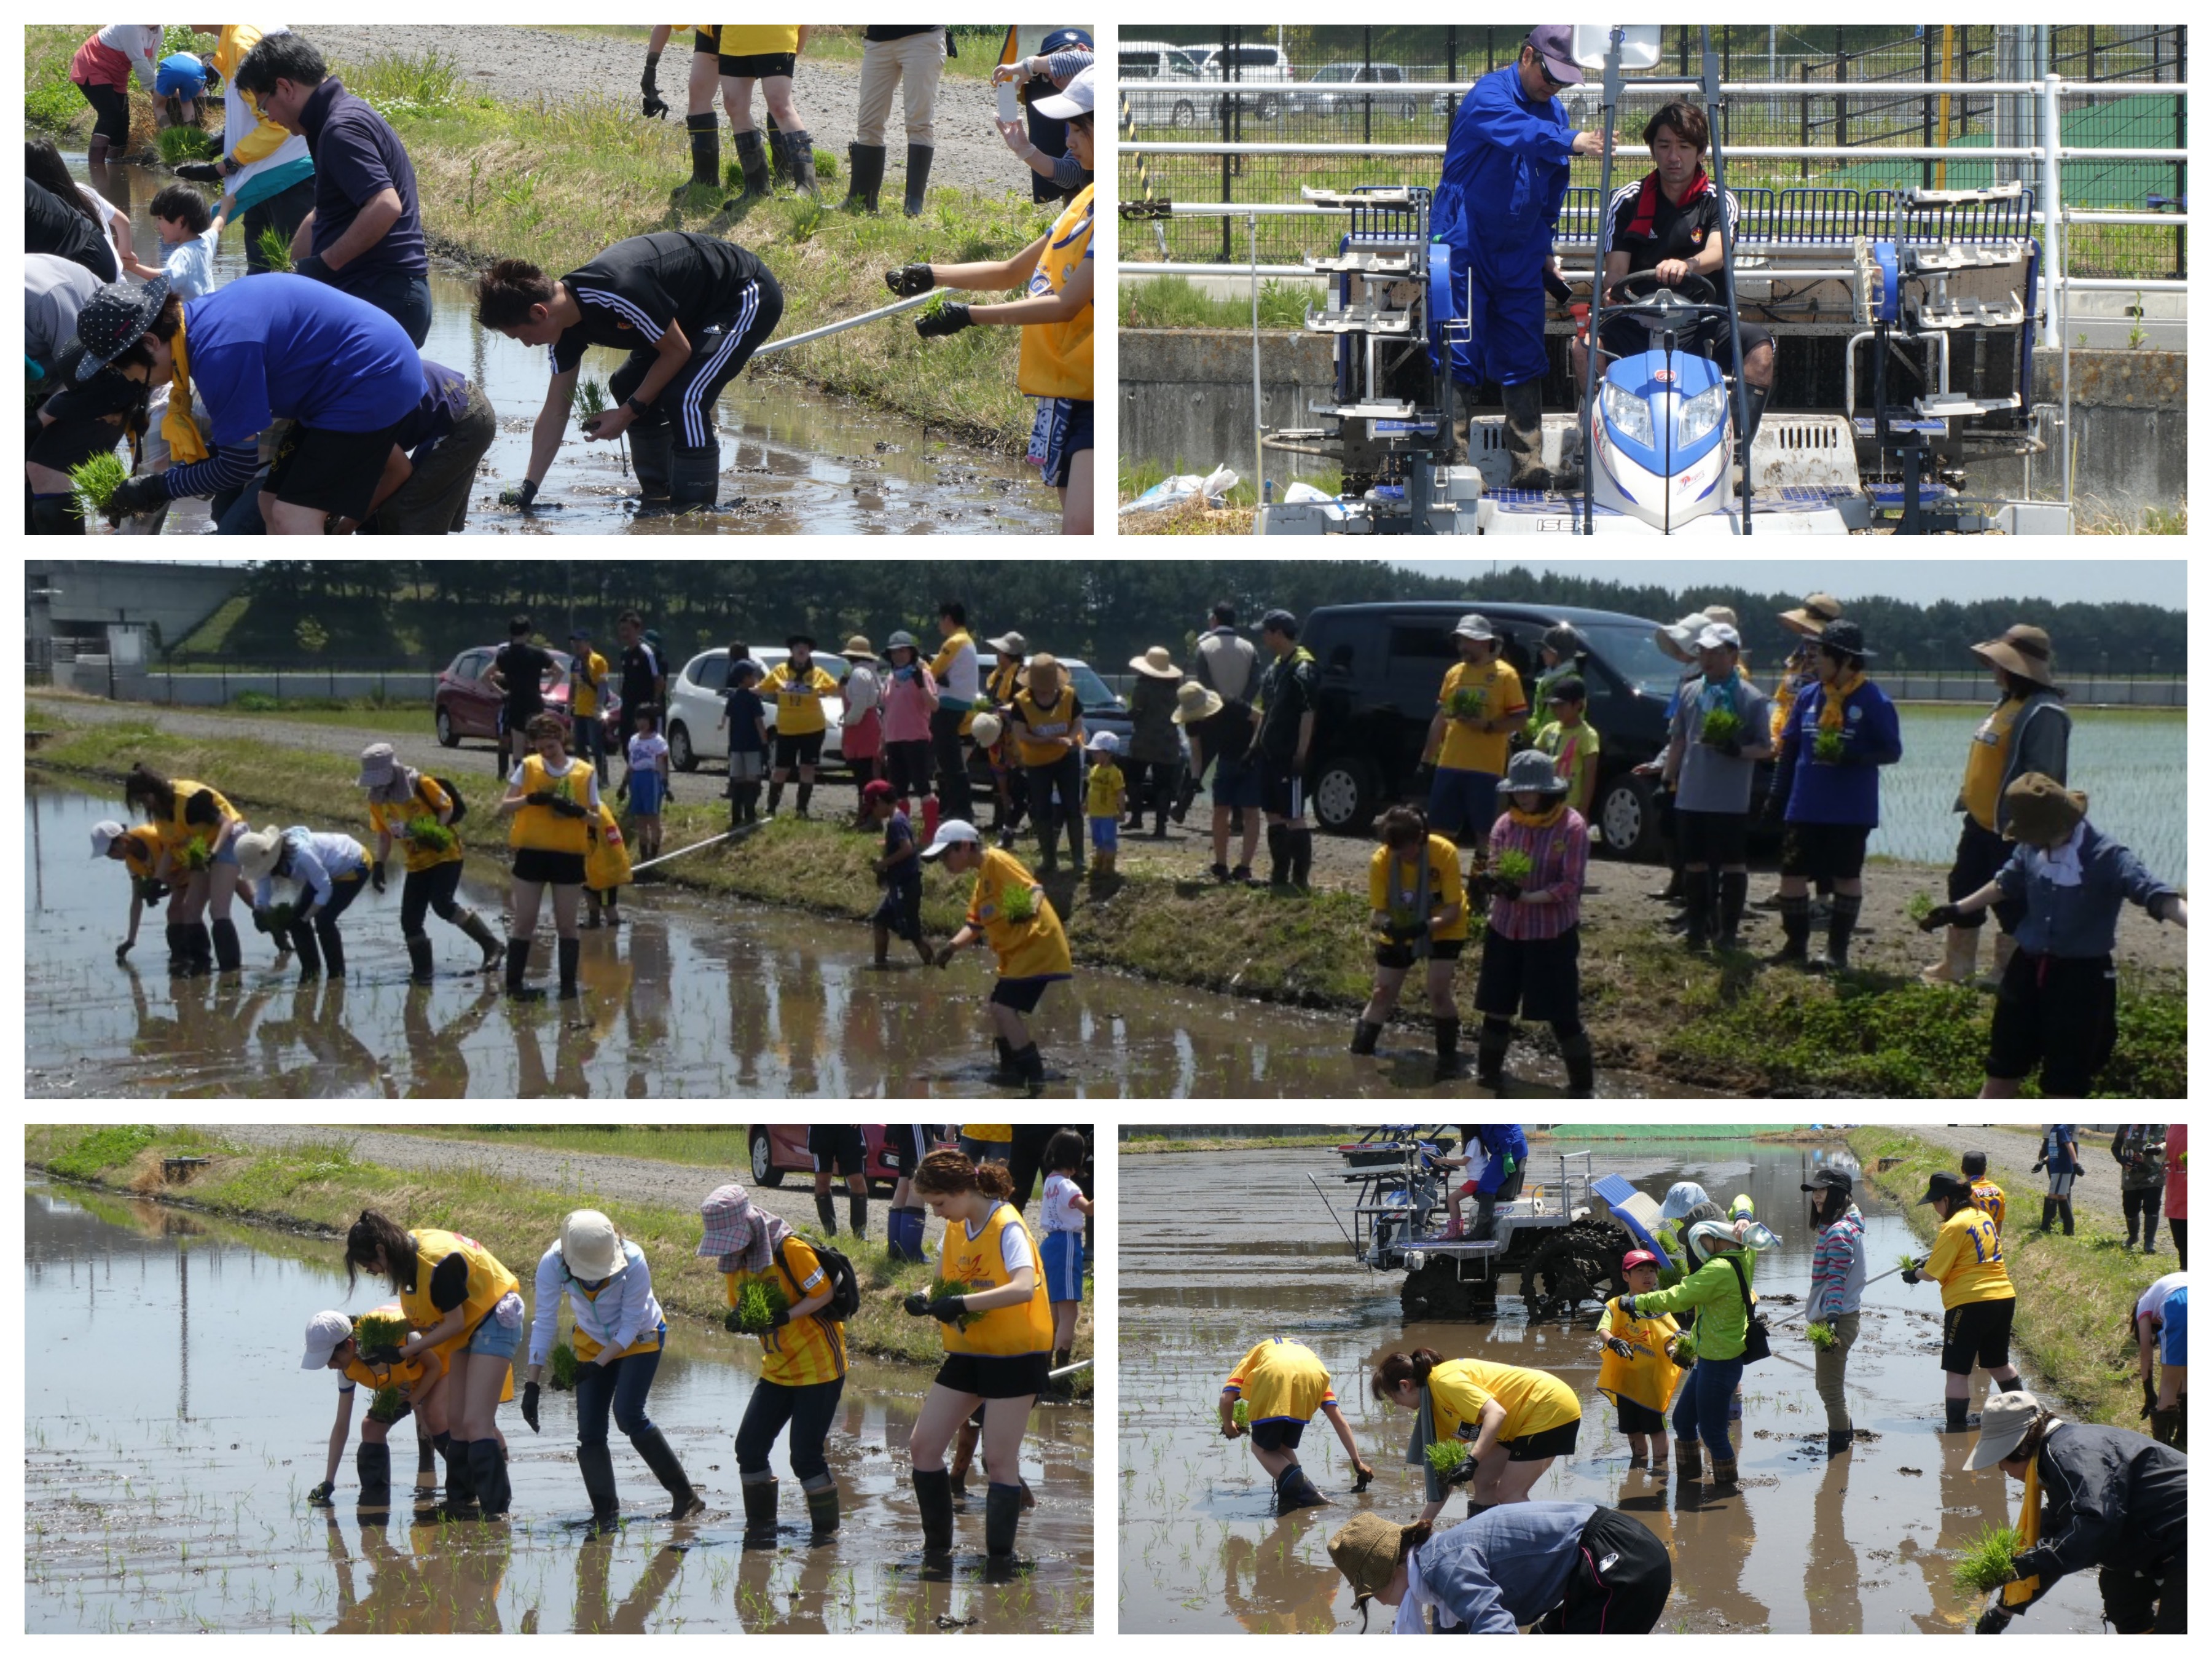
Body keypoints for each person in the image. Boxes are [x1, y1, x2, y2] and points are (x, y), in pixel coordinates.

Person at [892, 71, 1094, 535]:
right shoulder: (1083, 202)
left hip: (1094, 392)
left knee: (1080, 532)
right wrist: (928, 275)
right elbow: (1011, 271)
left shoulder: (1112, 215)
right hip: (1065, 390)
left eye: (1078, 130)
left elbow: (1065, 304)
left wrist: (968, 316)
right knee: (1074, 528)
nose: (1069, 140)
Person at [71, 274, 423, 537]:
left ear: (149, 342)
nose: (133, 381)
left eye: (124, 368)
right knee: (270, 505)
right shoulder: (199, 326)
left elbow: (236, 467)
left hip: (372, 378)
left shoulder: (218, 351)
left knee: (292, 514)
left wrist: (155, 488)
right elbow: (235, 449)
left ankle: (314, 617)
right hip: (339, 382)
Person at [1918, 774, 2186, 1100]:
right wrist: (1957, 909)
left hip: (2081, 980)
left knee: (2065, 1084)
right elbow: (2006, 883)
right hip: (2026, 970)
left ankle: (2055, 1147)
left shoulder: (2109, 857)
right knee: (2002, 1070)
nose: (2032, 843)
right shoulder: (2032, 849)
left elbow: (2159, 897)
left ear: (2062, 825)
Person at [477, 235, 782, 512]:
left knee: (687, 397)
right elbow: (557, 409)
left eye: (522, 337)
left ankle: (694, 512)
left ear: (539, 312)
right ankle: (661, 494)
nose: (529, 345)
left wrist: (625, 415)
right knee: (627, 384)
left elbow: (678, 351)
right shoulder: (563, 331)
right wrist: (528, 489)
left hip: (741, 295)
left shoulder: (618, 290)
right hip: (685, 315)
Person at [1432, 26, 1609, 490]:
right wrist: (1570, 140)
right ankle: (1452, 461)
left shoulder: (1552, 109)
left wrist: (1544, 246)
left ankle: (1527, 461)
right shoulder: (1488, 95)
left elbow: (1552, 185)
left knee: (1523, 349)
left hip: (1520, 247)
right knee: (1460, 346)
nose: (1555, 89)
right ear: (1528, 57)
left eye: (1565, 83)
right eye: (1551, 77)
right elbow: (1519, 133)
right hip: (1467, 239)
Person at [1572, 100, 1777, 487]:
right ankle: (1591, 444)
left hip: (1702, 320)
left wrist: (1690, 266)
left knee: (1761, 352)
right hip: (1635, 316)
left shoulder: (1719, 200)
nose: (1674, 157)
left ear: (1701, 152)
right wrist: (1616, 291)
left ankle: (1732, 453)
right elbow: (1615, 271)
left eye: (1684, 147)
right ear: (1653, 150)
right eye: (1664, 145)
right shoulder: (1628, 200)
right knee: (1584, 347)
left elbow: (1719, 252)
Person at [898, 1148, 1054, 1566]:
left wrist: (962, 1304)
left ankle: (1000, 1562)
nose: (936, 1213)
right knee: (923, 1447)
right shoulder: (956, 1227)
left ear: (962, 1190)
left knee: (1000, 1462)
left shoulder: (1008, 1226)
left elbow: (1025, 1287)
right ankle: (937, 1552)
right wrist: (923, 1299)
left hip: (1015, 1358)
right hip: (970, 1353)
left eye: (939, 1204)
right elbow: (942, 1285)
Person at [233, 32, 433, 346]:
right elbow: (324, 212)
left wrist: (325, 265)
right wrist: (294, 272)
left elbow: (385, 205)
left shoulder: (341, 128)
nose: (269, 117)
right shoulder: (334, 119)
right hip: (380, 293)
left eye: (264, 106)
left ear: (285, 88)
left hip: (382, 294)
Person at [524, 1209, 702, 1533]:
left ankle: (686, 1498)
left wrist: (596, 1366)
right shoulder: (552, 1264)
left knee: (628, 1414)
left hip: (641, 1336)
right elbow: (545, 1322)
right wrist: (531, 1385)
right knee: (589, 1430)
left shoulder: (633, 1260)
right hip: (592, 1339)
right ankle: (605, 1513)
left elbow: (632, 1323)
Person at [340, 1208, 524, 1516]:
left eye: (369, 1265)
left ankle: (496, 1512)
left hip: (495, 1320)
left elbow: (453, 1323)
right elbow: (425, 1316)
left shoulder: (438, 1263)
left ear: (381, 1250)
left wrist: (401, 1353)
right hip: (470, 1327)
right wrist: (385, 1338)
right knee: (456, 1422)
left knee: (476, 1422)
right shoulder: (405, 1262)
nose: (373, 1272)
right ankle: (460, 1501)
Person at [1961, 1389, 2185, 1635]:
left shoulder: (2070, 1455)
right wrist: (2004, 1611)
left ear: (2022, 1448)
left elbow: (2094, 1526)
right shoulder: (2054, 1459)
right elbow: (2056, 1535)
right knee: (2122, 1599)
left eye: (2000, 1459)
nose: (2002, 1469)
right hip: (2157, 1537)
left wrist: (2024, 1564)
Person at [700, 1182, 850, 1547]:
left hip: (819, 1367)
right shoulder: (735, 1259)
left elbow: (824, 1292)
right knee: (749, 1448)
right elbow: (741, 1303)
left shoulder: (790, 1249)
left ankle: (826, 1541)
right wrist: (740, 1320)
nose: (730, 1250)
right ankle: (762, 1531)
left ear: (747, 1226)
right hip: (777, 1368)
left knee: (805, 1457)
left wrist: (785, 1317)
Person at [1924, 624, 2073, 986]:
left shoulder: (2045, 713)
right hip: (1979, 821)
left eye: (1999, 664)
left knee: (2012, 901)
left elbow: (2043, 778)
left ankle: (2008, 971)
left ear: (2017, 667)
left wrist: (2027, 827)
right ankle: (1957, 965)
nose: (1994, 671)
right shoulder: (2008, 703)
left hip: (2012, 828)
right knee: (1963, 888)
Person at [1766, 619, 1902, 973]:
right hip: (1805, 805)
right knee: (1792, 876)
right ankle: (1795, 947)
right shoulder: (1810, 696)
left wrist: (1851, 757)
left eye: (1821, 654)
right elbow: (1791, 747)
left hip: (1849, 810)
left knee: (1846, 876)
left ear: (1844, 660)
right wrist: (1777, 798)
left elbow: (1892, 751)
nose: (1814, 661)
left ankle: (1836, 952)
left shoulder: (1874, 701)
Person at [1328, 1504, 1672, 1635]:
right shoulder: (1436, 1576)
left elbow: (1496, 1629)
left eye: (1373, 1593)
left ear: (1392, 1568)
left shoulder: (1444, 1565)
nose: (1383, 1604)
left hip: (1619, 1558)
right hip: (1604, 1556)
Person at [1473, 749, 1595, 1097]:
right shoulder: (1505, 824)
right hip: (1505, 928)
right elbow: (1495, 865)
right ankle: (1488, 1076)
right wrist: (1492, 883)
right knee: (1497, 1006)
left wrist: (1528, 896)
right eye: (1518, 791)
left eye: (1531, 791)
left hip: (1551, 932)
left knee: (1562, 1012)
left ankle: (1582, 1087)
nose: (1524, 798)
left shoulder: (1572, 827)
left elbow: (1570, 885)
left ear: (1549, 790)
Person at [1612, 1215, 1764, 1486]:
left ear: (1717, 1238)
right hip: (1709, 1356)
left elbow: (1677, 1297)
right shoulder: (1745, 1252)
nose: (1699, 1248)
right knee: (1683, 1421)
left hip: (1720, 1360)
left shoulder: (1718, 1269)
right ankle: (1689, 1484)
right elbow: (1744, 1199)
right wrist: (1743, 1216)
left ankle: (1727, 1494)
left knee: (1713, 1432)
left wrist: (1635, 1302)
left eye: (1702, 1241)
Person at [924, 819, 1072, 1095]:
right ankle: (1011, 1069)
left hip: (1036, 946)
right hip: (1018, 954)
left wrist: (1027, 910)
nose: (944, 862)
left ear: (966, 846)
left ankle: (1034, 1079)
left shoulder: (997, 860)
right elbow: (975, 926)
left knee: (1003, 1009)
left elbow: (1035, 890)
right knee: (997, 1005)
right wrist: (951, 948)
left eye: (947, 854)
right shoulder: (982, 883)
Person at [1662, 620, 1775, 951]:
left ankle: (1728, 933)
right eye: (1703, 651)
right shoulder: (1690, 691)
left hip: (1730, 799)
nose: (1708, 659)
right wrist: (1668, 778)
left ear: (1734, 655)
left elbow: (1766, 747)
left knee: (1732, 863)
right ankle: (1697, 929)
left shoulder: (1751, 698)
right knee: (1694, 862)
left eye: (1716, 652)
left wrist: (1737, 751)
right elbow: (1678, 739)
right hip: (1692, 794)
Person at [1371, 1349, 1582, 1518]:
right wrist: (1423, 1525)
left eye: (1393, 1397)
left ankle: (1559, 1540)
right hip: (1518, 1424)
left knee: (1510, 1493)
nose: (1396, 1404)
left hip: (1548, 1406)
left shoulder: (1444, 1382)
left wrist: (1473, 1458)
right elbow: (1446, 1479)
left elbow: (1496, 1413)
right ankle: (1486, 1542)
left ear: (1405, 1386)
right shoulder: (1433, 1412)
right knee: (1483, 1478)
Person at [175, 26, 316, 276]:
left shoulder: (242, 43)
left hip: (285, 172)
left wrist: (223, 166)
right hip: (266, 167)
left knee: (292, 270)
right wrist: (222, 142)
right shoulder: (238, 32)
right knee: (261, 269)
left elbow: (276, 124)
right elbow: (254, 113)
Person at [358, 743, 504, 984]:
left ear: (393, 770)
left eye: (381, 779)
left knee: (442, 904)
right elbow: (384, 835)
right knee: (410, 920)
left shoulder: (420, 783)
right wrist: (380, 865)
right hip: (416, 862)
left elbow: (447, 807)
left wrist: (435, 830)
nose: (378, 785)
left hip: (445, 854)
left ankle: (492, 945)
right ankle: (423, 974)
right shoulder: (376, 800)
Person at [1352, 806, 1470, 1081]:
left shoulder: (1443, 853)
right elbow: (1378, 912)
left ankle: (1448, 1060)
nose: (1400, 856)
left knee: (1438, 991)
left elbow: (1452, 910)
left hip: (1444, 925)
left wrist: (1424, 927)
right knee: (1382, 992)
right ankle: (1359, 1053)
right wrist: (1389, 925)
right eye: (1393, 850)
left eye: (1404, 849)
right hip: (1401, 926)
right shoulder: (1381, 860)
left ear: (1419, 837)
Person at [1900, 1169, 2023, 1430]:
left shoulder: (1952, 1225)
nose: (1934, 1207)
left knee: (1957, 1370)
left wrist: (1914, 1274)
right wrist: (1929, 1260)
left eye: (1935, 1202)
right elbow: (1964, 1254)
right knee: (1999, 1363)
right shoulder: (1982, 1216)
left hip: (1970, 1303)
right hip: (2003, 1296)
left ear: (1948, 1199)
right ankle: (2025, 1414)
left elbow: (1933, 1274)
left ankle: (1955, 1430)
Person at [496, 711, 602, 1001]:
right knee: (524, 921)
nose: (546, 753)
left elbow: (597, 820)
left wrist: (577, 811)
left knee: (567, 924)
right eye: (540, 749)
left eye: (551, 747)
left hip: (568, 858)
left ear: (562, 739)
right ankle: (514, 987)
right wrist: (531, 799)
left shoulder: (584, 772)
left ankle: (568, 988)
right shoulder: (529, 768)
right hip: (531, 854)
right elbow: (505, 805)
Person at [300, 1304, 439, 1510]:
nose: (330, 1366)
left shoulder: (401, 1337)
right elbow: (341, 1425)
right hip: (401, 1384)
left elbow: (435, 1367)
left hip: (434, 1371)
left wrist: (411, 1403)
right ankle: (377, 1504)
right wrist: (329, 1481)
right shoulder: (347, 1370)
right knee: (371, 1427)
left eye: (331, 1359)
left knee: (434, 1421)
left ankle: (460, 1496)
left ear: (349, 1344)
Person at [120, 763, 249, 976]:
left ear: (154, 791)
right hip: (201, 847)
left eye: (144, 800)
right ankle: (202, 966)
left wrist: (214, 853)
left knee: (218, 909)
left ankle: (231, 971)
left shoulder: (191, 800)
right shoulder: (160, 814)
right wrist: (156, 882)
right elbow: (173, 846)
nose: (144, 806)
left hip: (228, 841)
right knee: (190, 909)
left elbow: (226, 824)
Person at [1421, 614, 1528, 868]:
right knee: (1439, 831)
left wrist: (1489, 726)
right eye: (1460, 641)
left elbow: (1519, 720)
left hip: (1486, 768)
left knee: (1484, 832)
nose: (1462, 647)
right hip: (1450, 763)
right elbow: (1440, 719)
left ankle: (1480, 889)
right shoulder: (1454, 673)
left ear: (1483, 642)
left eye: (1468, 641)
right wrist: (1427, 758)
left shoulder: (1506, 676)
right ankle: (1438, 887)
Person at [1220, 1337, 1373, 1513]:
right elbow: (1338, 1419)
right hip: (1314, 1375)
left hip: (1274, 1373)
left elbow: (1227, 1398)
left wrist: (1229, 1427)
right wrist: (1357, 1461)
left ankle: (1311, 1496)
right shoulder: (1307, 1359)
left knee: (1260, 1448)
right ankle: (1292, 1501)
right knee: (1282, 1448)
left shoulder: (1257, 1352)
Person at [351, 358, 498, 536]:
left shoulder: (351, 420)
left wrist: (352, 520)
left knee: (406, 514)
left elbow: (399, 470)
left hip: (464, 417)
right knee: (382, 511)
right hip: (452, 408)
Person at [237, 823, 371, 980]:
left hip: (354, 864)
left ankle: (337, 976)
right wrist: (261, 911)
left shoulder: (302, 855)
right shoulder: (265, 860)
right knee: (296, 920)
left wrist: (307, 917)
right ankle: (311, 971)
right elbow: (263, 891)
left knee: (324, 921)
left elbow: (324, 888)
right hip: (325, 871)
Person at [1598, 1249, 1684, 1470]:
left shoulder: (1658, 1306)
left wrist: (1675, 1352)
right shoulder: (1615, 1305)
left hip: (1651, 1382)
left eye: (1652, 1271)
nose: (1648, 1276)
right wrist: (1613, 1342)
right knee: (1632, 1428)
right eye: (1640, 1271)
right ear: (1626, 1276)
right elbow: (1603, 1330)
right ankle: (1638, 1463)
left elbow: (1670, 1337)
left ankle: (1660, 1466)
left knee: (1655, 1427)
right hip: (1625, 1380)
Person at [850, 26, 950, 214]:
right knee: (868, 123)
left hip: (922, 36)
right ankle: (862, 199)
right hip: (878, 41)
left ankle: (914, 205)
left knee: (918, 123)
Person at [1252, 609, 1319, 891]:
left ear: (1278, 634)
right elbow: (1266, 711)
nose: (1264, 637)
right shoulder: (1274, 668)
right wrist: (1254, 746)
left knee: (1294, 814)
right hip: (1269, 752)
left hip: (1290, 753)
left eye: (1266, 632)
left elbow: (1308, 713)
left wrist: (1301, 753)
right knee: (1273, 813)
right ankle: (1279, 874)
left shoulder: (1304, 668)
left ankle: (1300, 878)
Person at [712, 26, 817, 202]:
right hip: (734, 37)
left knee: (779, 105)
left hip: (775, 33)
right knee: (734, 105)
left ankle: (807, 186)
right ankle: (756, 187)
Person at [1172, 678, 1260, 886]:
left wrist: (1253, 750)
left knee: (1250, 811)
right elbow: (1196, 751)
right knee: (1220, 809)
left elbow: (1261, 719)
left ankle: (1244, 867)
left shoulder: (1230, 704)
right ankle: (1221, 865)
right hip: (1226, 760)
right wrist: (1195, 778)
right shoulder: (1192, 723)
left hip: (1252, 760)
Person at [1803, 1166, 1865, 1454]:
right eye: (1815, 1191)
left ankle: (1839, 1456)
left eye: (1823, 1190)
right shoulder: (1846, 1223)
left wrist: (1830, 1322)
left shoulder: (1839, 1232)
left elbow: (1837, 1280)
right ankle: (1845, 1441)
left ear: (1839, 1194)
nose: (1817, 1196)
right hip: (1840, 1317)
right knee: (1826, 1386)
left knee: (1830, 1392)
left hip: (1837, 1320)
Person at [1006, 652, 1087, 876]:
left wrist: (1070, 739)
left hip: (1067, 756)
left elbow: (1078, 723)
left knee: (1072, 804)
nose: (1045, 691)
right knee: (1042, 808)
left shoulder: (1069, 696)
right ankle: (1049, 860)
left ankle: (1079, 859)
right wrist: (1046, 740)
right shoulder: (1022, 702)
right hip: (1037, 761)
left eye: (1049, 687)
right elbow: (1021, 734)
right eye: (1041, 687)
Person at [1003, 28, 1094, 205]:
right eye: (1047, 71)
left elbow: (1091, 62)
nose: (1052, 73)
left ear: (1084, 51)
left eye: (1056, 62)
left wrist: (1029, 65)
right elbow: (1069, 174)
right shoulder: (1077, 112)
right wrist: (1024, 150)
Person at [1038, 1128, 1092, 1389]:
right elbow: (1089, 1209)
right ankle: (1062, 1375)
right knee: (1070, 1311)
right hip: (1067, 1245)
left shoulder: (1050, 1181)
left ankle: (1045, 1370)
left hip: (1049, 1246)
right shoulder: (1068, 1185)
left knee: (1055, 1313)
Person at [643, 25, 728, 192]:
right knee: (698, 94)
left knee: (767, 100)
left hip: (754, 33)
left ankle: (778, 179)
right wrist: (650, 69)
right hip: (712, 30)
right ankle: (705, 181)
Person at [759, 634, 836, 818]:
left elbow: (833, 687)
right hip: (787, 729)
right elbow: (762, 688)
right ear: (792, 651)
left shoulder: (818, 672)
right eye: (798, 647)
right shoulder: (780, 671)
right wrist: (742, 691)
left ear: (809, 652)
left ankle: (802, 810)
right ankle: (771, 808)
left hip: (813, 728)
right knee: (781, 770)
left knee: (807, 768)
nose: (801, 650)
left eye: (805, 647)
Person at [68, 25, 162, 168]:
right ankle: (96, 167)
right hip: (93, 64)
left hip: (117, 73)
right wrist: (155, 92)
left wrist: (157, 89)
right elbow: (139, 61)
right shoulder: (130, 26)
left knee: (123, 123)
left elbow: (151, 60)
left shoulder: (159, 32)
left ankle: (113, 167)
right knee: (110, 114)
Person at [861, 779, 931, 969]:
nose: (873, 814)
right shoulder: (896, 820)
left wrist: (883, 864)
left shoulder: (896, 822)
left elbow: (907, 849)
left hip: (906, 885)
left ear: (880, 801)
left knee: (913, 933)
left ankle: (934, 965)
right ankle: (880, 964)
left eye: (872, 808)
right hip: (898, 884)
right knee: (880, 920)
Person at [89, 817, 178, 963]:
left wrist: (167, 887)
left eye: (110, 852)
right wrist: (130, 940)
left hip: (196, 869)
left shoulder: (155, 836)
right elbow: (137, 900)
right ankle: (180, 960)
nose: (111, 857)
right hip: (179, 882)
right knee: (174, 913)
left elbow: (182, 859)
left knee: (179, 911)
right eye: (107, 855)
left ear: (121, 841)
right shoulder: (132, 863)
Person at [116, 183, 226, 300]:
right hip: (207, 309)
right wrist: (226, 206)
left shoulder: (183, 255)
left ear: (181, 221)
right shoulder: (206, 242)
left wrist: (133, 267)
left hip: (191, 315)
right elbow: (217, 227)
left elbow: (165, 279)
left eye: (160, 219)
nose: (156, 226)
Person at [926, 600, 980, 820]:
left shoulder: (955, 641)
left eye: (941, 620)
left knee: (951, 762)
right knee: (951, 762)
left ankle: (962, 809)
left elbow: (933, 670)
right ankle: (957, 808)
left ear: (948, 619)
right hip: (960, 704)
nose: (940, 625)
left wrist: (922, 665)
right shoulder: (967, 640)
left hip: (949, 704)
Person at [488, 613, 559, 780]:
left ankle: (520, 777)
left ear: (511, 633)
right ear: (528, 633)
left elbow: (485, 677)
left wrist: (503, 692)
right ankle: (541, 774)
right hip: (535, 701)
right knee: (538, 739)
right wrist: (549, 689)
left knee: (518, 744)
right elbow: (560, 671)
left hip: (515, 702)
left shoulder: (505, 655)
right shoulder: (537, 653)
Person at [1123, 646, 1183, 839]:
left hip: (1144, 740)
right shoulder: (1176, 691)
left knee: (1134, 778)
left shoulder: (1143, 688)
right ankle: (1160, 826)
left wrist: (1130, 714)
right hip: (1169, 740)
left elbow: (1138, 710)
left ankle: (1137, 817)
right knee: (1163, 784)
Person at [1530, 675, 1600, 828]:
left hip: (1570, 804)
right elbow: (1535, 762)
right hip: (1546, 799)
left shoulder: (1587, 735)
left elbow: (1590, 774)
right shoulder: (1549, 730)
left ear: (1578, 705)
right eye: (1554, 706)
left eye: (1562, 706)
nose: (1557, 710)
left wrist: (1584, 809)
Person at [877, 631, 938, 805]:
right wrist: (882, 742)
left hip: (916, 738)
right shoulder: (889, 678)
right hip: (893, 739)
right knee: (898, 788)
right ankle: (902, 828)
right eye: (894, 652)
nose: (898, 656)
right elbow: (887, 712)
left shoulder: (923, 675)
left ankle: (930, 830)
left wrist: (921, 687)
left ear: (912, 653)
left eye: (903, 651)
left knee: (922, 785)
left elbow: (934, 706)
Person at [2132, 1271, 2187, 1449]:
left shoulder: (2144, 1303)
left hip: (2181, 1303)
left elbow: (2146, 1354)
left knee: (2169, 1383)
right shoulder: (2168, 1284)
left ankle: (2163, 1448)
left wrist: (2149, 1393)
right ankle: (2184, 1438)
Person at [719, 656, 769, 829]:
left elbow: (725, 719)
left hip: (736, 746)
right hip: (752, 746)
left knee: (737, 780)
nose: (756, 679)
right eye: (753, 676)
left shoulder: (733, 698)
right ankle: (750, 815)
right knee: (752, 780)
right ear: (745, 678)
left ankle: (736, 817)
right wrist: (765, 743)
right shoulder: (753, 699)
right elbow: (759, 723)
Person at [620, 705, 670, 863]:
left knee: (653, 818)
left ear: (651, 721)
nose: (641, 723)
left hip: (652, 779)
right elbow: (631, 764)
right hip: (636, 779)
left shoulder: (658, 741)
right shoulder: (634, 740)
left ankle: (654, 856)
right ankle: (644, 857)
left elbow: (662, 764)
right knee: (640, 820)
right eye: (638, 719)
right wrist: (623, 785)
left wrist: (666, 785)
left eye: (645, 719)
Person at [1521, 626, 1586, 743]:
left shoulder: (1573, 683)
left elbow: (1568, 725)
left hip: (1559, 750)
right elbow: (1538, 720)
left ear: (1556, 653)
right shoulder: (1545, 680)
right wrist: (1522, 726)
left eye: (1545, 649)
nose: (1542, 653)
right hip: (1543, 746)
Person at [2109, 1126, 2168, 1254]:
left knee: (2152, 1206)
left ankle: (2149, 1242)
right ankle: (2133, 1237)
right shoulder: (2126, 1125)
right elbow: (2115, 1147)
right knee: (2130, 1207)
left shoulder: (2160, 1125)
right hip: (2131, 1174)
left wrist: (2158, 1149)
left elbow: (2170, 1144)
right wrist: (2122, 1160)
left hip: (2154, 1174)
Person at [807, 1124, 869, 1240]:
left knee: (857, 1178)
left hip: (850, 1128)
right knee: (822, 1179)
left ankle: (859, 1231)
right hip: (821, 1129)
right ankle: (830, 1231)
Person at [567, 629, 612, 785]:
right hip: (579, 710)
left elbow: (603, 686)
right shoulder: (576, 662)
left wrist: (599, 707)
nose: (576, 645)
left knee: (596, 745)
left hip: (593, 711)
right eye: (574, 642)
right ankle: (586, 776)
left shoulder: (599, 661)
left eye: (579, 641)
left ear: (588, 643)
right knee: (579, 745)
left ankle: (602, 779)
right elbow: (573, 685)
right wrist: (569, 705)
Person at [837, 635, 884, 788]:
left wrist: (847, 722)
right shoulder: (871, 673)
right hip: (868, 723)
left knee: (864, 770)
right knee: (868, 769)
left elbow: (859, 705)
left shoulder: (859, 674)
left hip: (862, 726)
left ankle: (868, 806)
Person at [581, 794, 632, 932]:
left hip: (605, 868)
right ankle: (594, 922)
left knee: (607, 905)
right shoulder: (597, 805)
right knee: (589, 894)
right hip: (594, 865)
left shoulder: (592, 810)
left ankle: (612, 931)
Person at [613, 613, 664, 747]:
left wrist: (652, 703)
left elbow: (659, 681)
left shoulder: (646, 653)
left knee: (646, 744)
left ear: (637, 630)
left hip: (643, 708)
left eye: (628, 630)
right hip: (628, 707)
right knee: (626, 742)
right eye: (622, 630)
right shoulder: (624, 654)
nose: (624, 634)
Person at [1083, 731, 1125, 879]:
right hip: (1095, 813)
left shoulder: (1115, 773)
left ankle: (1108, 866)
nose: (1094, 756)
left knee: (1108, 840)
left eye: (1097, 752)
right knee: (1097, 840)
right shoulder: (1094, 770)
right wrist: (1086, 804)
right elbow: (1091, 789)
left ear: (1108, 753)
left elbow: (1120, 793)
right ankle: (1097, 864)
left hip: (1108, 814)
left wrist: (1121, 811)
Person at [2030, 1124, 2084, 1236]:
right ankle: (2068, 1230)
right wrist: (2043, 1162)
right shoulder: (2054, 1130)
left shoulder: (2062, 1129)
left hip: (2062, 1168)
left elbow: (2070, 1146)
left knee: (2053, 1196)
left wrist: (2075, 1164)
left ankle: (2046, 1227)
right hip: (2056, 1168)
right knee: (2062, 1197)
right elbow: (2054, 1150)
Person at [154, 49, 211, 127]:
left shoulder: (177, 56)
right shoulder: (199, 65)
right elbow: (199, 95)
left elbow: (167, 79)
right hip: (194, 74)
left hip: (170, 71)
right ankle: (189, 133)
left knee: (159, 105)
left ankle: (167, 134)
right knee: (187, 102)